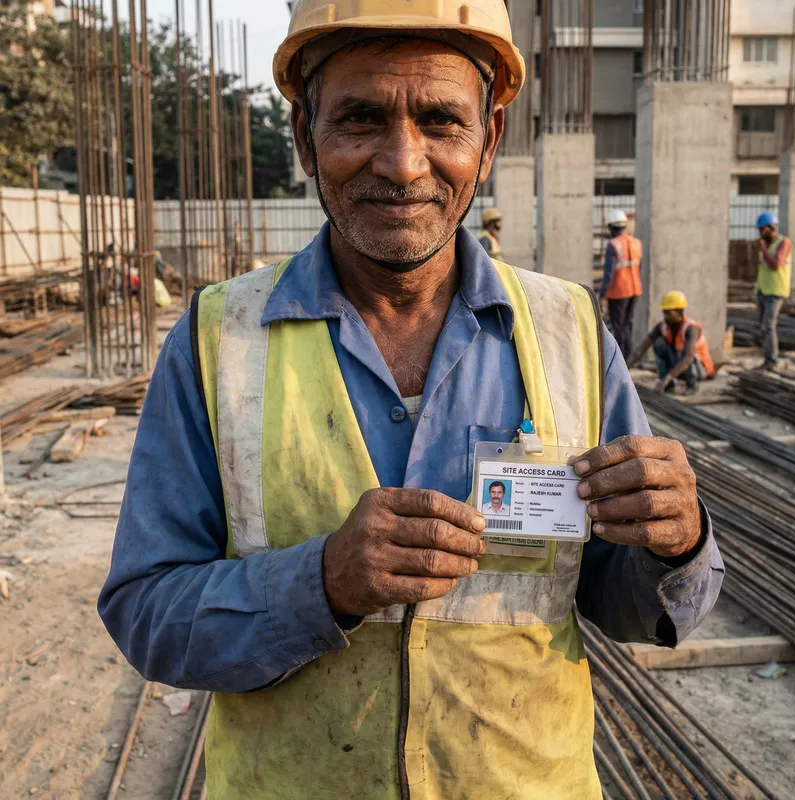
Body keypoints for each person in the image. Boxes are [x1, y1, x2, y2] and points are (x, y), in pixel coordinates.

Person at [98, 2, 724, 797]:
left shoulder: (568, 331)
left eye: (440, 120)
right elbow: (147, 613)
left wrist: (677, 543)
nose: (401, 162)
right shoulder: (217, 341)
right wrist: (320, 584)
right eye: (360, 118)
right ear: (304, 136)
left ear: (488, 140)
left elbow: (627, 603)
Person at [628, 291, 715, 395]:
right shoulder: (663, 326)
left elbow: (688, 359)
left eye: (668, 312)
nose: (665, 316)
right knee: (659, 344)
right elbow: (640, 349)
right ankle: (669, 386)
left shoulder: (691, 328)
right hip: (680, 365)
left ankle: (692, 385)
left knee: (687, 355)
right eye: (664, 312)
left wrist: (666, 379)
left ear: (678, 312)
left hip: (700, 369)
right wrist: (624, 368)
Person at [599, 209, 643, 360]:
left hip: (618, 291)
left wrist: (602, 294)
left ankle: (620, 360)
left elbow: (609, 273)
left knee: (618, 327)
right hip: (635, 290)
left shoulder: (614, 245)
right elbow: (639, 267)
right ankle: (629, 358)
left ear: (611, 227)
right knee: (627, 325)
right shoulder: (636, 243)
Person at [754, 211, 792, 370]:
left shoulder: (783, 243)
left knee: (769, 326)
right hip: (763, 290)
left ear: (771, 227)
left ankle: (772, 361)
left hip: (776, 291)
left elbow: (777, 264)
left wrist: (763, 250)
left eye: (763, 229)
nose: (760, 233)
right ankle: (767, 358)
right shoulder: (767, 244)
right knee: (763, 327)